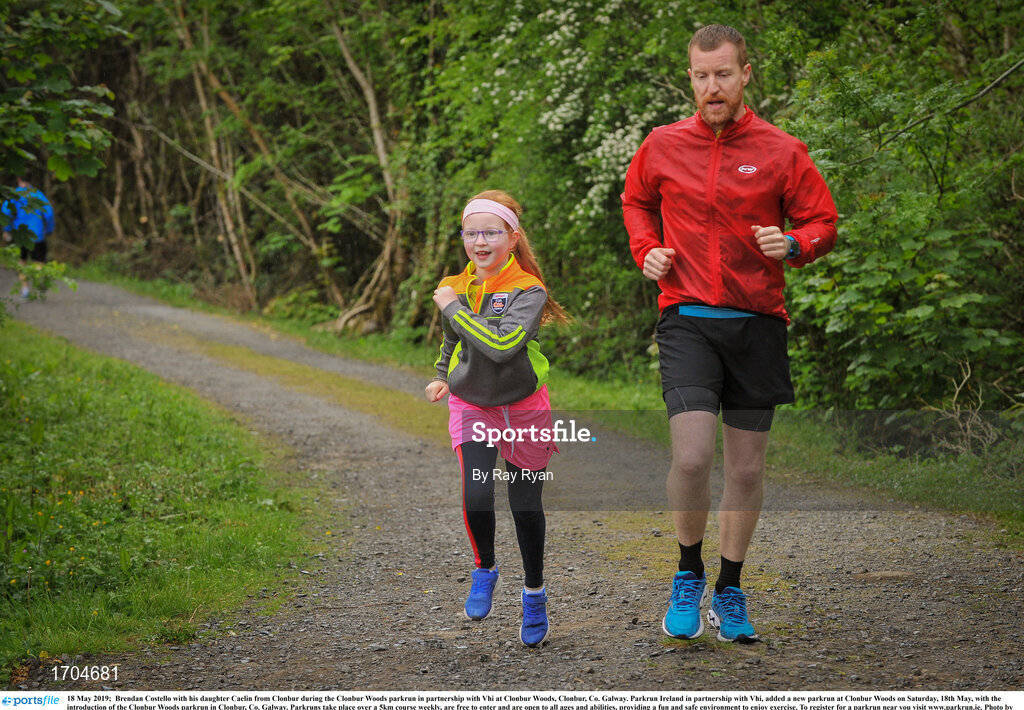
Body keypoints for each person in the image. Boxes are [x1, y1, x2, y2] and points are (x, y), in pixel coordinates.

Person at [621, 24, 838, 643]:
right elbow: (635, 202)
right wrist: (648, 249)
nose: (711, 87)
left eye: (722, 74)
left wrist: (796, 243)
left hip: (758, 322)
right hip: (687, 318)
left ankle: (731, 587)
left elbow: (823, 220)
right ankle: (687, 574)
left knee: (745, 471)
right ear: (688, 76)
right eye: (700, 75)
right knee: (691, 456)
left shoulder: (781, 150)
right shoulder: (661, 145)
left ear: (746, 74)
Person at [425, 189, 569, 647]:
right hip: (473, 403)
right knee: (477, 492)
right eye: (471, 232)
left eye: (491, 232)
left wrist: (451, 306)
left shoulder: (528, 289)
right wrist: (443, 375)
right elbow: (455, 343)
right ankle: (485, 567)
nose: (480, 241)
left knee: (525, 507)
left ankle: (534, 594)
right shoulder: (457, 284)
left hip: (524, 405)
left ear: (512, 238)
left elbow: (502, 348)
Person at [2, 175, 55, 300]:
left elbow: (5, 213)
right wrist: (49, 229)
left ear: (18, 179)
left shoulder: (13, 195)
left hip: (19, 235)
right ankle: (37, 285)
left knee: (21, 262)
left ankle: (25, 289)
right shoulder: (38, 194)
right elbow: (49, 213)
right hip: (37, 234)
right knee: (39, 261)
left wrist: (7, 229)